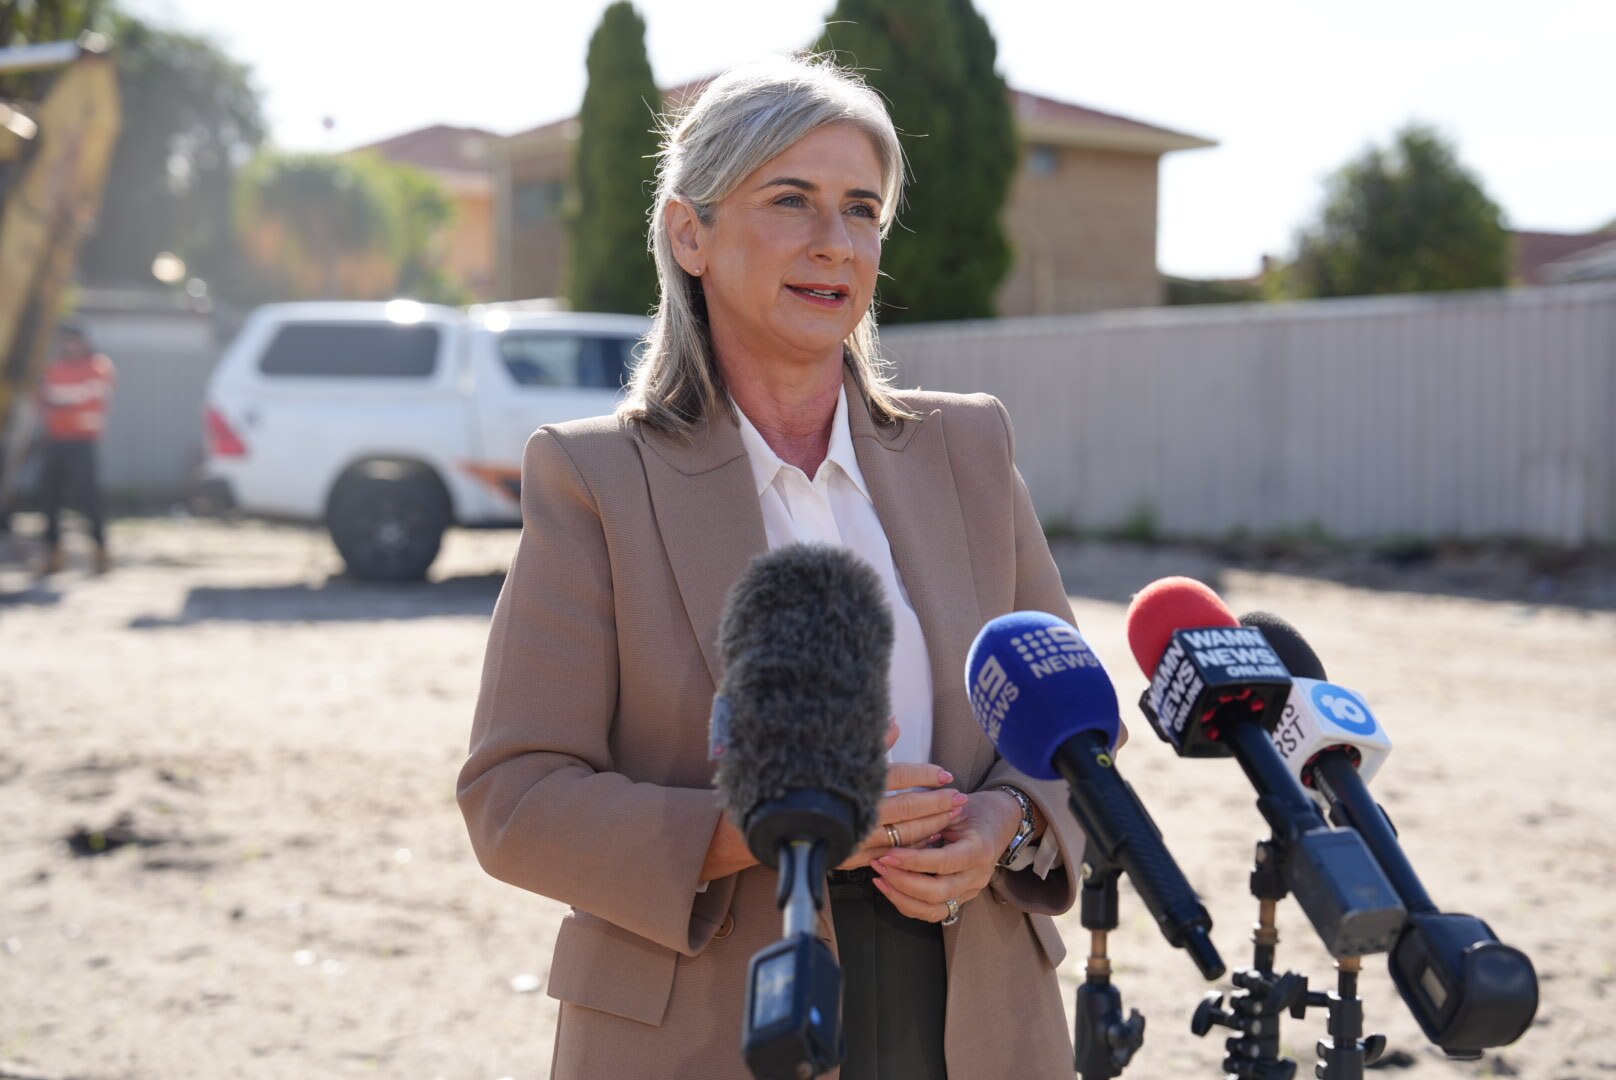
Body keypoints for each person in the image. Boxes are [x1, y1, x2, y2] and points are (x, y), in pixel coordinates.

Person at [459, 56, 1096, 1079]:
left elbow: (1068, 738)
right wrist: (758, 829)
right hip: (707, 1020)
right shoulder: (592, 480)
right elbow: (516, 800)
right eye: (789, 200)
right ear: (689, 234)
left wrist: (1005, 824)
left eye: (860, 210)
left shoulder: (969, 452)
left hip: (970, 1011)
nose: (832, 242)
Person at [36, 323, 115, 575]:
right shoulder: (56, 368)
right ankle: (53, 554)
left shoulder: (98, 366)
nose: (69, 346)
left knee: (89, 500)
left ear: (84, 341)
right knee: (50, 499)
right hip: (56, 441)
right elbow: (42, 396)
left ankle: (101, 553)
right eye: (65, 340)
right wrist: (57, 401)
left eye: (74, 340)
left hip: (83, 442)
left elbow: (88, 396)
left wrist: (57, 401)